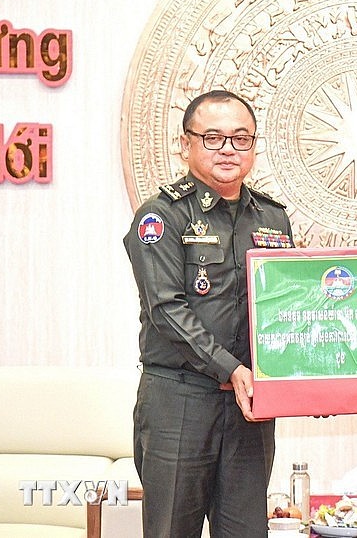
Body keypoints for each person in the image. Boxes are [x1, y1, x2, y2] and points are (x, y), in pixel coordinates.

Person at [123, 90, 294, 537]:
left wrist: (305, 379)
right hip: (179, 402)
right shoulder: (160, 217)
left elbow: (289, 309)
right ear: (186, 145)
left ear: (254, 146)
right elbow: (166, 310)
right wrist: (232, 368)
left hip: (250, 407)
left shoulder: (273, 219)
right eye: (213, 138)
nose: (227, 150)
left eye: (241, 139)